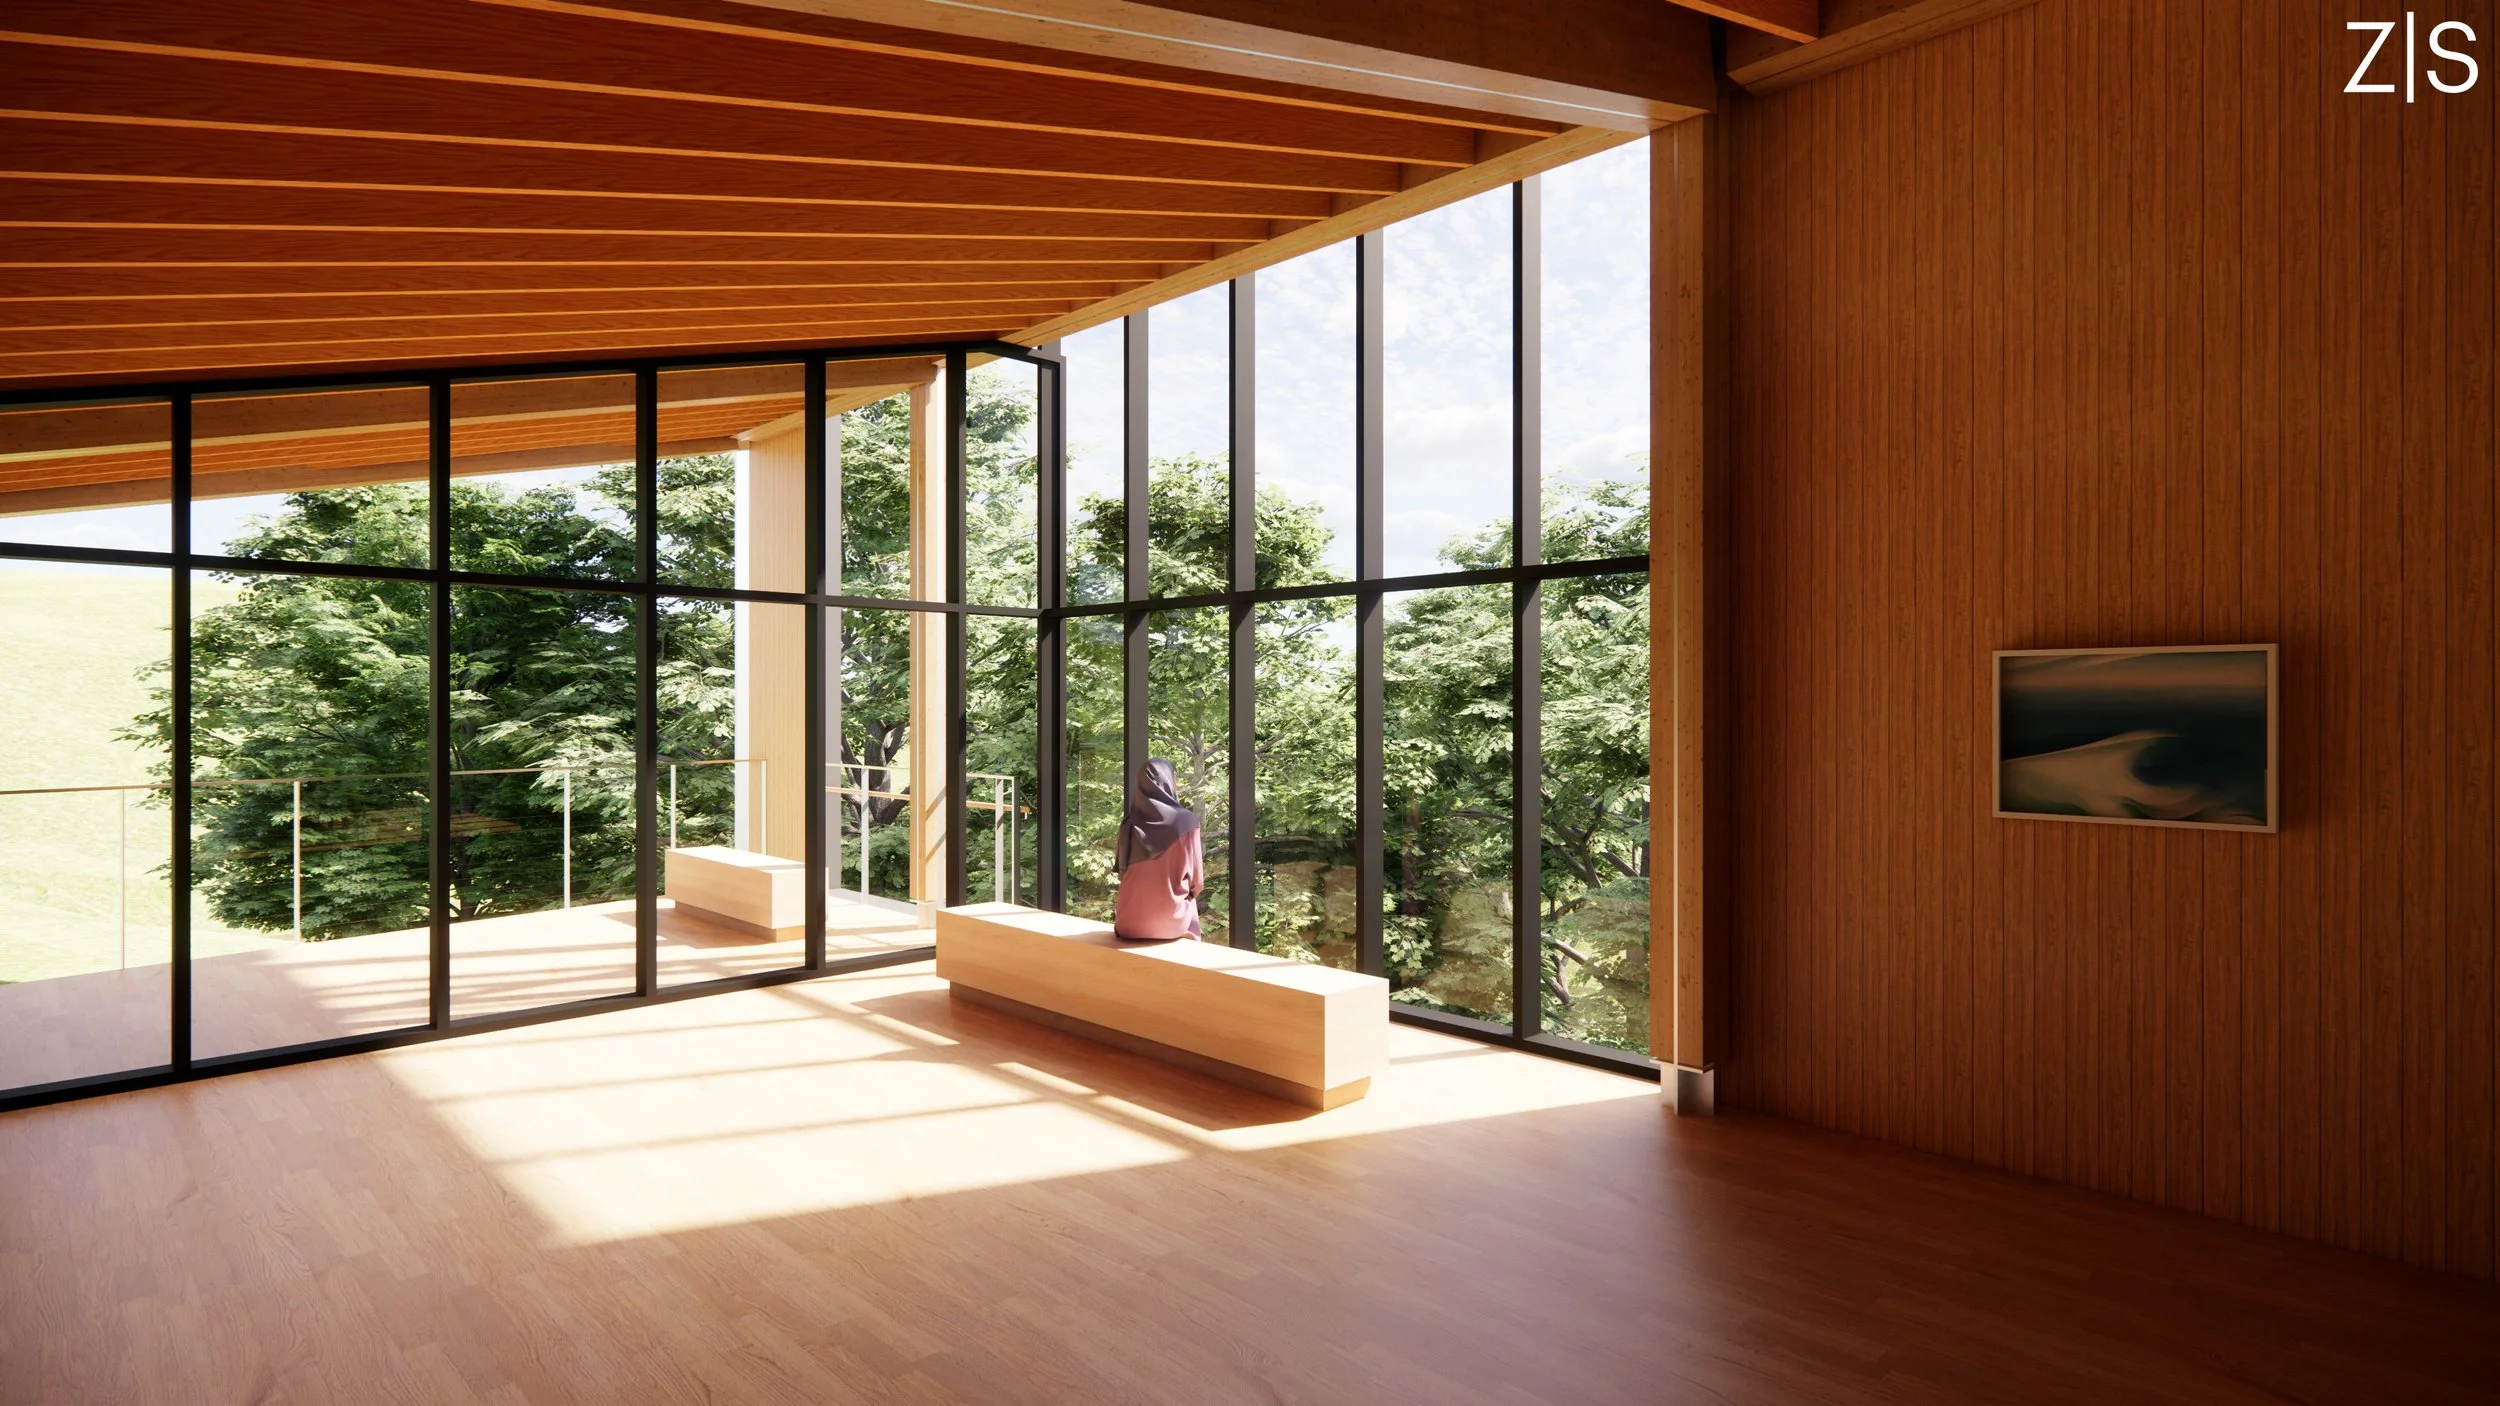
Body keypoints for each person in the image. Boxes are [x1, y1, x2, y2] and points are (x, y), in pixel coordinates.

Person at [1111, 758, 1204, 941]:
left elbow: (1122, 873)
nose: (1177, 784)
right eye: (1174, 779)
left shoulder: (1128, 824)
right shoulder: (1187, 822)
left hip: (1127, 924)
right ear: (1168, 782)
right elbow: (1197, 883)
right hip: (1171, 924)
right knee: (1189, 902)